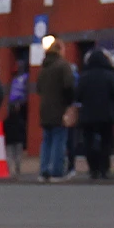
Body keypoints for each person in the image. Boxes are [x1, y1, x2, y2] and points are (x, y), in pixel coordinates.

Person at [73, 40, 114, 182]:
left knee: (88, 142)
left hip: (88, 115)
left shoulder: (84, 76)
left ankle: (93, 170)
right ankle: (105, 169)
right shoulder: (109, 75)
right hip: (106, 114)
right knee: (106, 142)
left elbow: (78, 95)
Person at [32, 40, 75, 181]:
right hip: (59, 107)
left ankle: (44, 170)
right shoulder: (63, 66)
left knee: (47, 140)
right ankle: (56, 171)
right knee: (59, 140)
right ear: (60, 50)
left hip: (45, 109)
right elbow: (69, 85)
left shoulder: (43, 67)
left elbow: (38, 88)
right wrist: (69, 104)